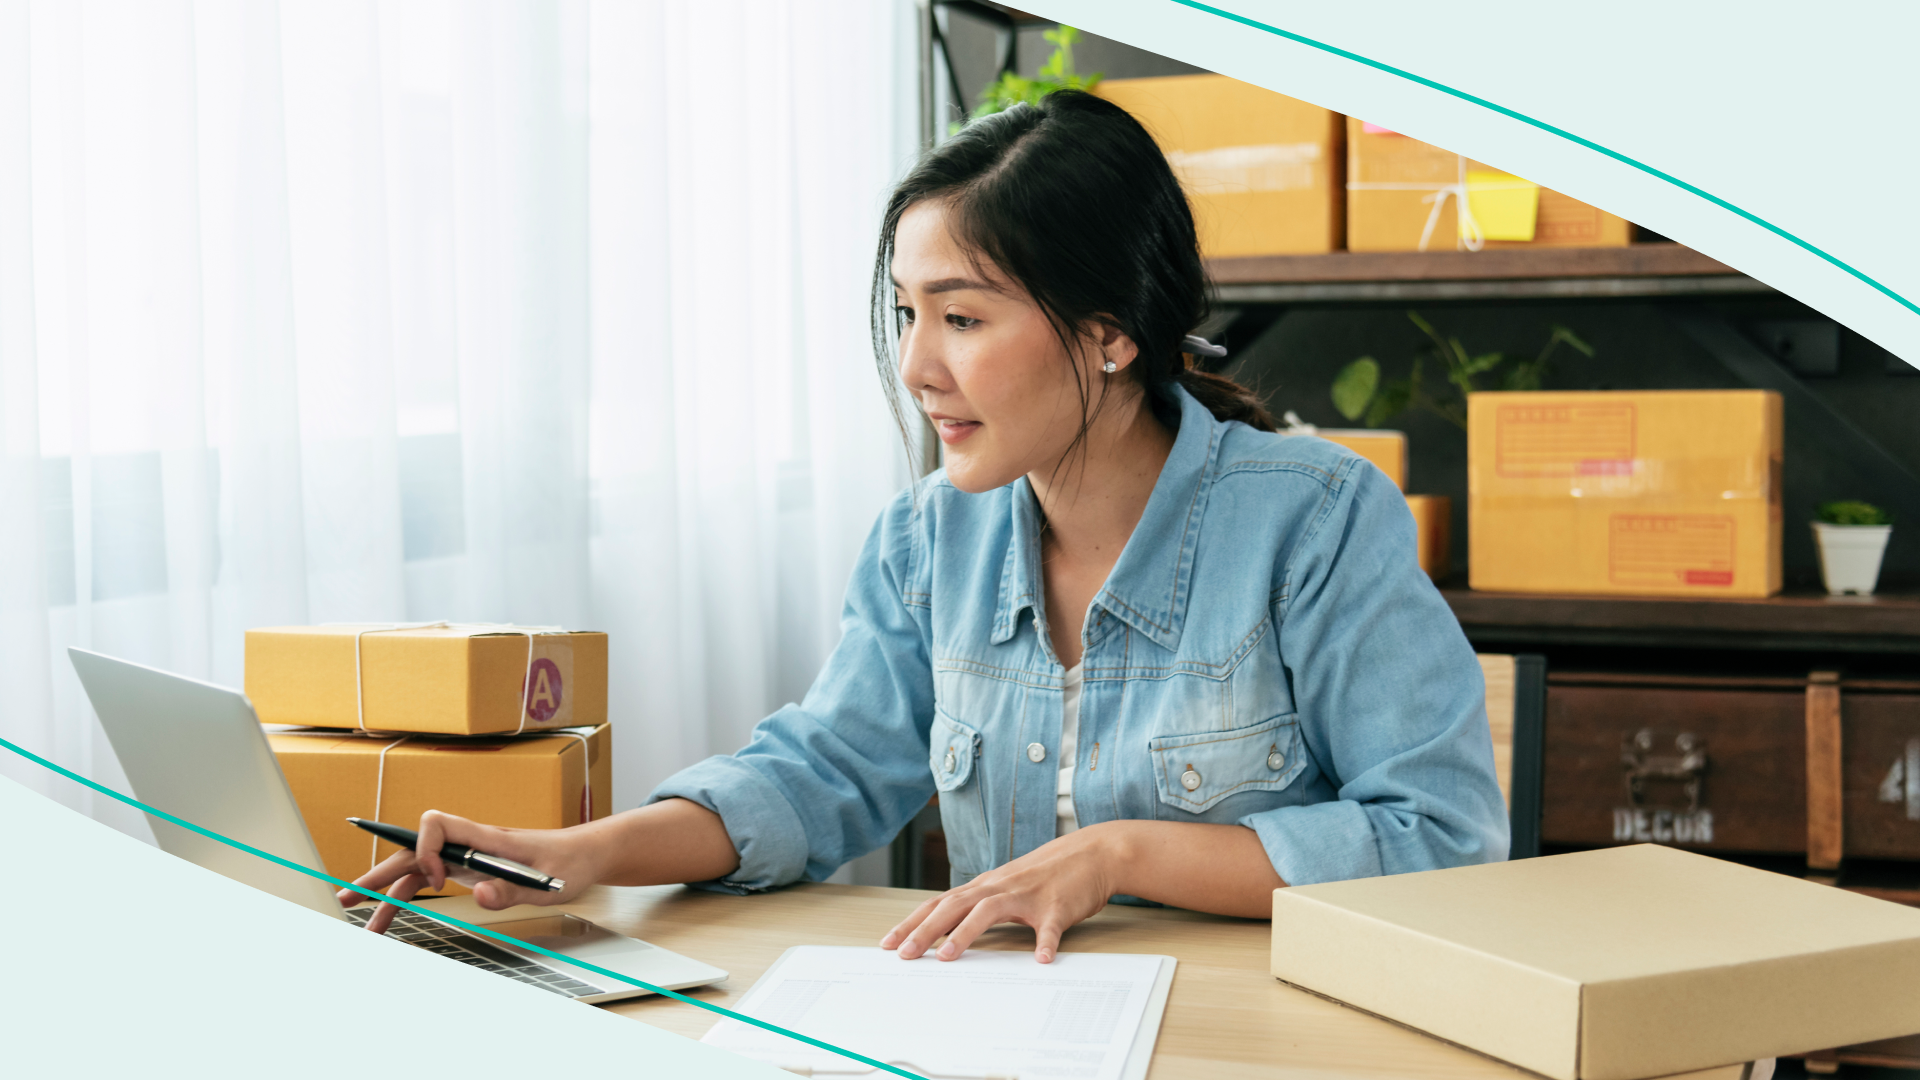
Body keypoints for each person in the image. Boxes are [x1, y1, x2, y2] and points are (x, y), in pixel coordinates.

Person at [342, 90, 1507, 964]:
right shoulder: (925, 544)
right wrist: (578, 853)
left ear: (1111, 333)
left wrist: (1121, 855)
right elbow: (818, 774)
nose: (913, 366)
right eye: (906, 313)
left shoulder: (1314, 519)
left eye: (961, 316)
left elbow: (1444, 840)